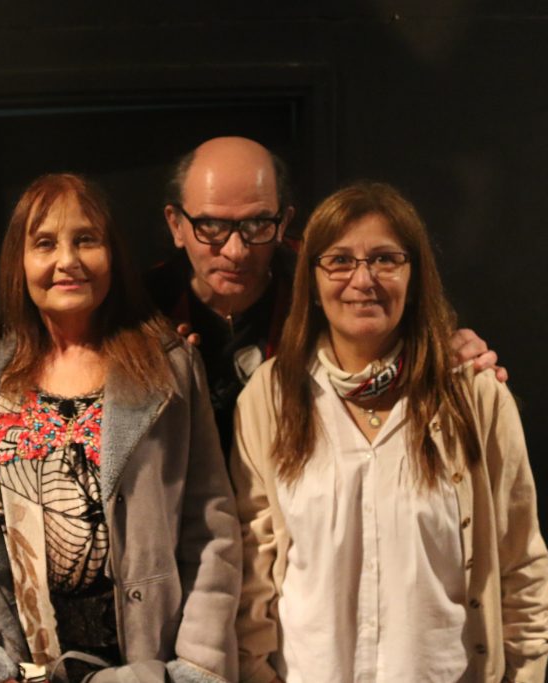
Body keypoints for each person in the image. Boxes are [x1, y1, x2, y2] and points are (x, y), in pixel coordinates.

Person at [231, 182, 548, 682]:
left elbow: (521, 566)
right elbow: (254, 564)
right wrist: (255, 672)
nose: (363, 279)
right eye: (339, 260)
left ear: (414, 274)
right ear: (312, 280)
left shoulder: (475, 396)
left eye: (385, 259)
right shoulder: (269, 398)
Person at [0, 173, 241, 682]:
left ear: (112, 255)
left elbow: (210, 525)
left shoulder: (169, 369)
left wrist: (199, 664)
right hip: (19, 669)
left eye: (87, 240)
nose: (67, 261)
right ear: (20, 262)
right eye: (45, 243)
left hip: (143, 667)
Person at [149, 136, 506, 452]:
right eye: (210, 226)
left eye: (257, 223)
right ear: (176, 225)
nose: (236, 251)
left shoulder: (327, 281)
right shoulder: (140, 309)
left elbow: (410, 335)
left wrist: (452, 350)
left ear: (283, 222)